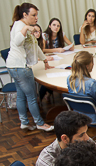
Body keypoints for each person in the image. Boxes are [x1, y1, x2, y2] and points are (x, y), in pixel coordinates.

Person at [6, 3, 54, 131]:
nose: (36, 18)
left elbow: (34, 46)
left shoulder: (22, 25)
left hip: (13, 66)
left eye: (37, 15)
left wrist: (45, 60)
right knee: (32, 97)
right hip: (20, 67)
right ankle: (40, 123)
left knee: (21, 95)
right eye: (33, 15)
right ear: (25, 15)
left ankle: (24, 122)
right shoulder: (20, 26)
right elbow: (16, 42)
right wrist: (26, 28)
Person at [32, 23, 54, 101]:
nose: (38, 33)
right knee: (46, 80)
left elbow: (41, 52)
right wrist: (43, 58)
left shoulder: (39, 41)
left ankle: (48, 93)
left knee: (50, 75)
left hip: (40, 64)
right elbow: (30, 58)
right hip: (31, 67)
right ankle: (39, 99)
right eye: (35, 32)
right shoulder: (29, 43)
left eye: (39, 31)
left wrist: (44, 59)